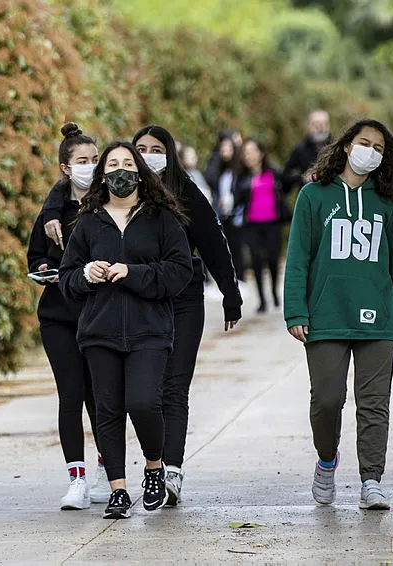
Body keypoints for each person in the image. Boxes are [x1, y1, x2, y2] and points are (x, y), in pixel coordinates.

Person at [284, 119, 393, 511]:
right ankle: (327, 462)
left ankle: (371, 481)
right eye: (364, 143)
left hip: (379, 318)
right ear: (345, 146)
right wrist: (295, 310)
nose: (370, 152)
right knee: (326, 400)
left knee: (374, 402)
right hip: (326, 316)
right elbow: (298, 259)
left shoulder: (386, 203)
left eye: (378, 148)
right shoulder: (313, 196)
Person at [59, 141, 193, 519]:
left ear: (140, 173)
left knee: (143, 402)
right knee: (108, 410)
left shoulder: (161, 219)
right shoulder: (88, 222)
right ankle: (118, 489)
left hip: (149, 330)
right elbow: (67, 278)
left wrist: (133, 273)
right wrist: (86, 274)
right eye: (113, 164)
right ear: (103, 174)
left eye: (128, 164)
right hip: (99, 331)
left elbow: (180, 271)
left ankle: (154, 466)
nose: (121, 170)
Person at [133, 124, 242, 506]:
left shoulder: (185, 191)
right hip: (139, 300)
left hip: (184, 297)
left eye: (156, 148)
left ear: (171, 153)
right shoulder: (123, 191)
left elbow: (213, 240)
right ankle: (154, 464)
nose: (149, 155)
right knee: (146, 392)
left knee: (175, 386)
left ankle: (172, 471)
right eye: (141, 148)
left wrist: (230, 293)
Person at [26, 123, 109, 510]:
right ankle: (76, 478)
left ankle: (109, 470)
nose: (89, 167)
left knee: (103, 398)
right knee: (71, 394)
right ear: (65, 167)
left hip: (99, 313)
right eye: (82, 161)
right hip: (59, 315)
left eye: (95, 160)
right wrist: (45, 267)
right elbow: (35, 258)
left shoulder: (110, 205)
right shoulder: (51, 212)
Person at [234, 138, 290, 312]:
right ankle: (262, 300)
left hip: (273, 222)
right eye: (245, 152)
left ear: (261, 153)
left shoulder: (274, 172)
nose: (248, 155)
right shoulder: (242, 176)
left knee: (273, 258)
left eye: (251, 151)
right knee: (256, 259)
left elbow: (286, 187)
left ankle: (274, 292)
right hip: (251, 224)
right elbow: (236, 199)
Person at [204, 131, 245, 281]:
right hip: (221, 213)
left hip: (237, 214)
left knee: (236, 248)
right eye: (223, 148)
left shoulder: (239, 169)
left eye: (229, 147)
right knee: (221, 249)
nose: (225, 151)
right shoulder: (218, 168)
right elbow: (210, 178)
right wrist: (216, 156)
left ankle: (240, 278)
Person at [282, 109, 332, 194]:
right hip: (308, 196)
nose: (320, 127)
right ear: (309, 126)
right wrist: (303, 178)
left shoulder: (336, 147)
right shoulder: (300, 149)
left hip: (331, 195)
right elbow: (286, 176)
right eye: (316, 124)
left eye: (324, 124)